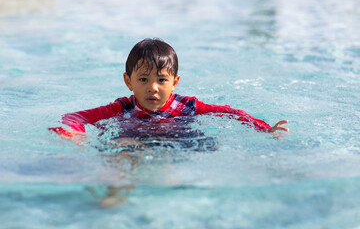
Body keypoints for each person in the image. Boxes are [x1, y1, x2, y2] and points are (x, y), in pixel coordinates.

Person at [49, 38, 289, 141]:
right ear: (128, 82)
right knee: (123, 147)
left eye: (162, 80)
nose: (153, 88)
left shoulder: (187, 106)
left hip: (179, 140)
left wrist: (262, 128)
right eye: (143, 79)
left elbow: (229, 112)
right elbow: (74, 117)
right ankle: (117, 189)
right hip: (135, 140)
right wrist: (72, 132)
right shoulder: (121, 108)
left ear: (175, 82)